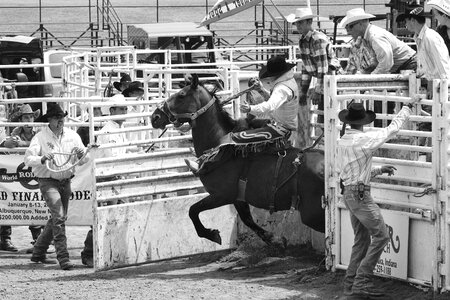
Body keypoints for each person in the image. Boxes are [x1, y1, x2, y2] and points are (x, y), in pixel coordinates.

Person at [337, 99, 419, 297]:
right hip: (359, 194)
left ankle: (351, 284)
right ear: (363, 122)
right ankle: (361, 281)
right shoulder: (363, 140)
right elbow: (391, 130)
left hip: (350, 192)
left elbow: (352, 170)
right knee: (381, 236)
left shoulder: (343, 141)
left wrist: (378, 169)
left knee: (361, 239)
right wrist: (406, 108)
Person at [185, 55, 299, 173]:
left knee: (233, 138)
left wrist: (250, 108)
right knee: (242, 125)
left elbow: (270, 106)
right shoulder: (289, 83)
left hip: (280, 129)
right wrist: (260, 90)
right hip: (280, 125)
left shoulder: (281, 89)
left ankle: (204, 163)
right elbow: (275, 102)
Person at [24, 103, 89, 270]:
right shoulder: (39, 137)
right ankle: (63, 257)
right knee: (59, 217)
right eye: (56, 118)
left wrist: (82, 156)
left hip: (65, 180)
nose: (60, 120)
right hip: (48, 180)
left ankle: (38, 252)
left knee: (57, 218)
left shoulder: (73, 136)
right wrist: (42, 159)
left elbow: (84, 159)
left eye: (61, 117)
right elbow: (28, 159)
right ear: (50, 120)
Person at [80, 94, 131, 268]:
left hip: (115, 176)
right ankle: (89, 252)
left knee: (113, 214)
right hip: (107, 177)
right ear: (112, 111)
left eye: (124, 109)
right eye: (121, 109)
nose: (124, 112)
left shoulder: (117, 129)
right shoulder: (108, 131)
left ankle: (106, 251)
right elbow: (112, 156)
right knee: (105, 215)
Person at [0, 104, 49, 254]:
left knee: (35, 202)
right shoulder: (15, 131)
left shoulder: (40, 131)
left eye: (31, 117)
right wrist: (4, 144)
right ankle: (4, 238)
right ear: (21, 120)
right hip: (22, 173)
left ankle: (38, 239)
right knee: (8, 200)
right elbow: (6, 144)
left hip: (33, 172)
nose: (29, 120)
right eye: (25, 117)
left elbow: (45, 145)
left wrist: (22, 145)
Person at [286, 7, 341, 124]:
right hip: (325, 80)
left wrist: (317, 90)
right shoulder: (303, 40)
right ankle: (327, 138)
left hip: (332, 79)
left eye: (300, 22)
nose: (298, 25)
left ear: (309, 22)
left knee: (330, 113)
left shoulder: (317, 39)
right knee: (325, 113)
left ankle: (328, 138)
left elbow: (323, 67)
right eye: (297, 23)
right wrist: (304, 91)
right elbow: (307, 67)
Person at [339, 8, 417, 74]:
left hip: (409, 65)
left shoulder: (375, 37)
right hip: (405, 65)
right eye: (347, 28)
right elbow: (378, 62)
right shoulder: (367, 37)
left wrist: (371, 77)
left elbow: (386, 64)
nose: (348, 31)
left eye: (350, 27)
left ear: (360, 24)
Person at [396, 6, 450, 81]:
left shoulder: (430, 37)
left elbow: (442, 63)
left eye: (405, 21)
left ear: (412, 20)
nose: (405, 25)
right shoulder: (421, 37)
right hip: (433, 83)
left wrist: (446, 86)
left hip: (439, 84)